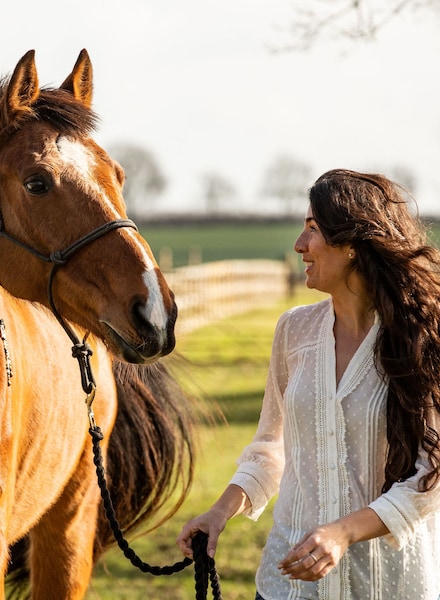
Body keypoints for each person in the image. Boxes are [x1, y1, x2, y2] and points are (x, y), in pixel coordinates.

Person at [177, 169, 440, 599]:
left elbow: (432, 478)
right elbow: (271, 447)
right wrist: (219, 513)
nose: (299, 245)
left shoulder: (423, 338)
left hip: (387, 584)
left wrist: (343, 533)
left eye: (313, 229)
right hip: (288, 584)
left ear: (353, 244)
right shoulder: (293, 331)